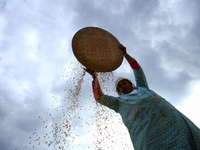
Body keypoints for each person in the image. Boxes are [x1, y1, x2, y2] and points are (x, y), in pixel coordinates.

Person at [85, 44, 200, 150]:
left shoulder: (142, 88)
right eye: (120, 86)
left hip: (171, 122)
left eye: (124, 83)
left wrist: (125, 54)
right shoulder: (119, 102)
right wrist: (94, 78)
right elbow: (100, 97)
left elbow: (137, 70)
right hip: (147, 134)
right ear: (119, 91)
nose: (123, 86)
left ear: (131, 84)